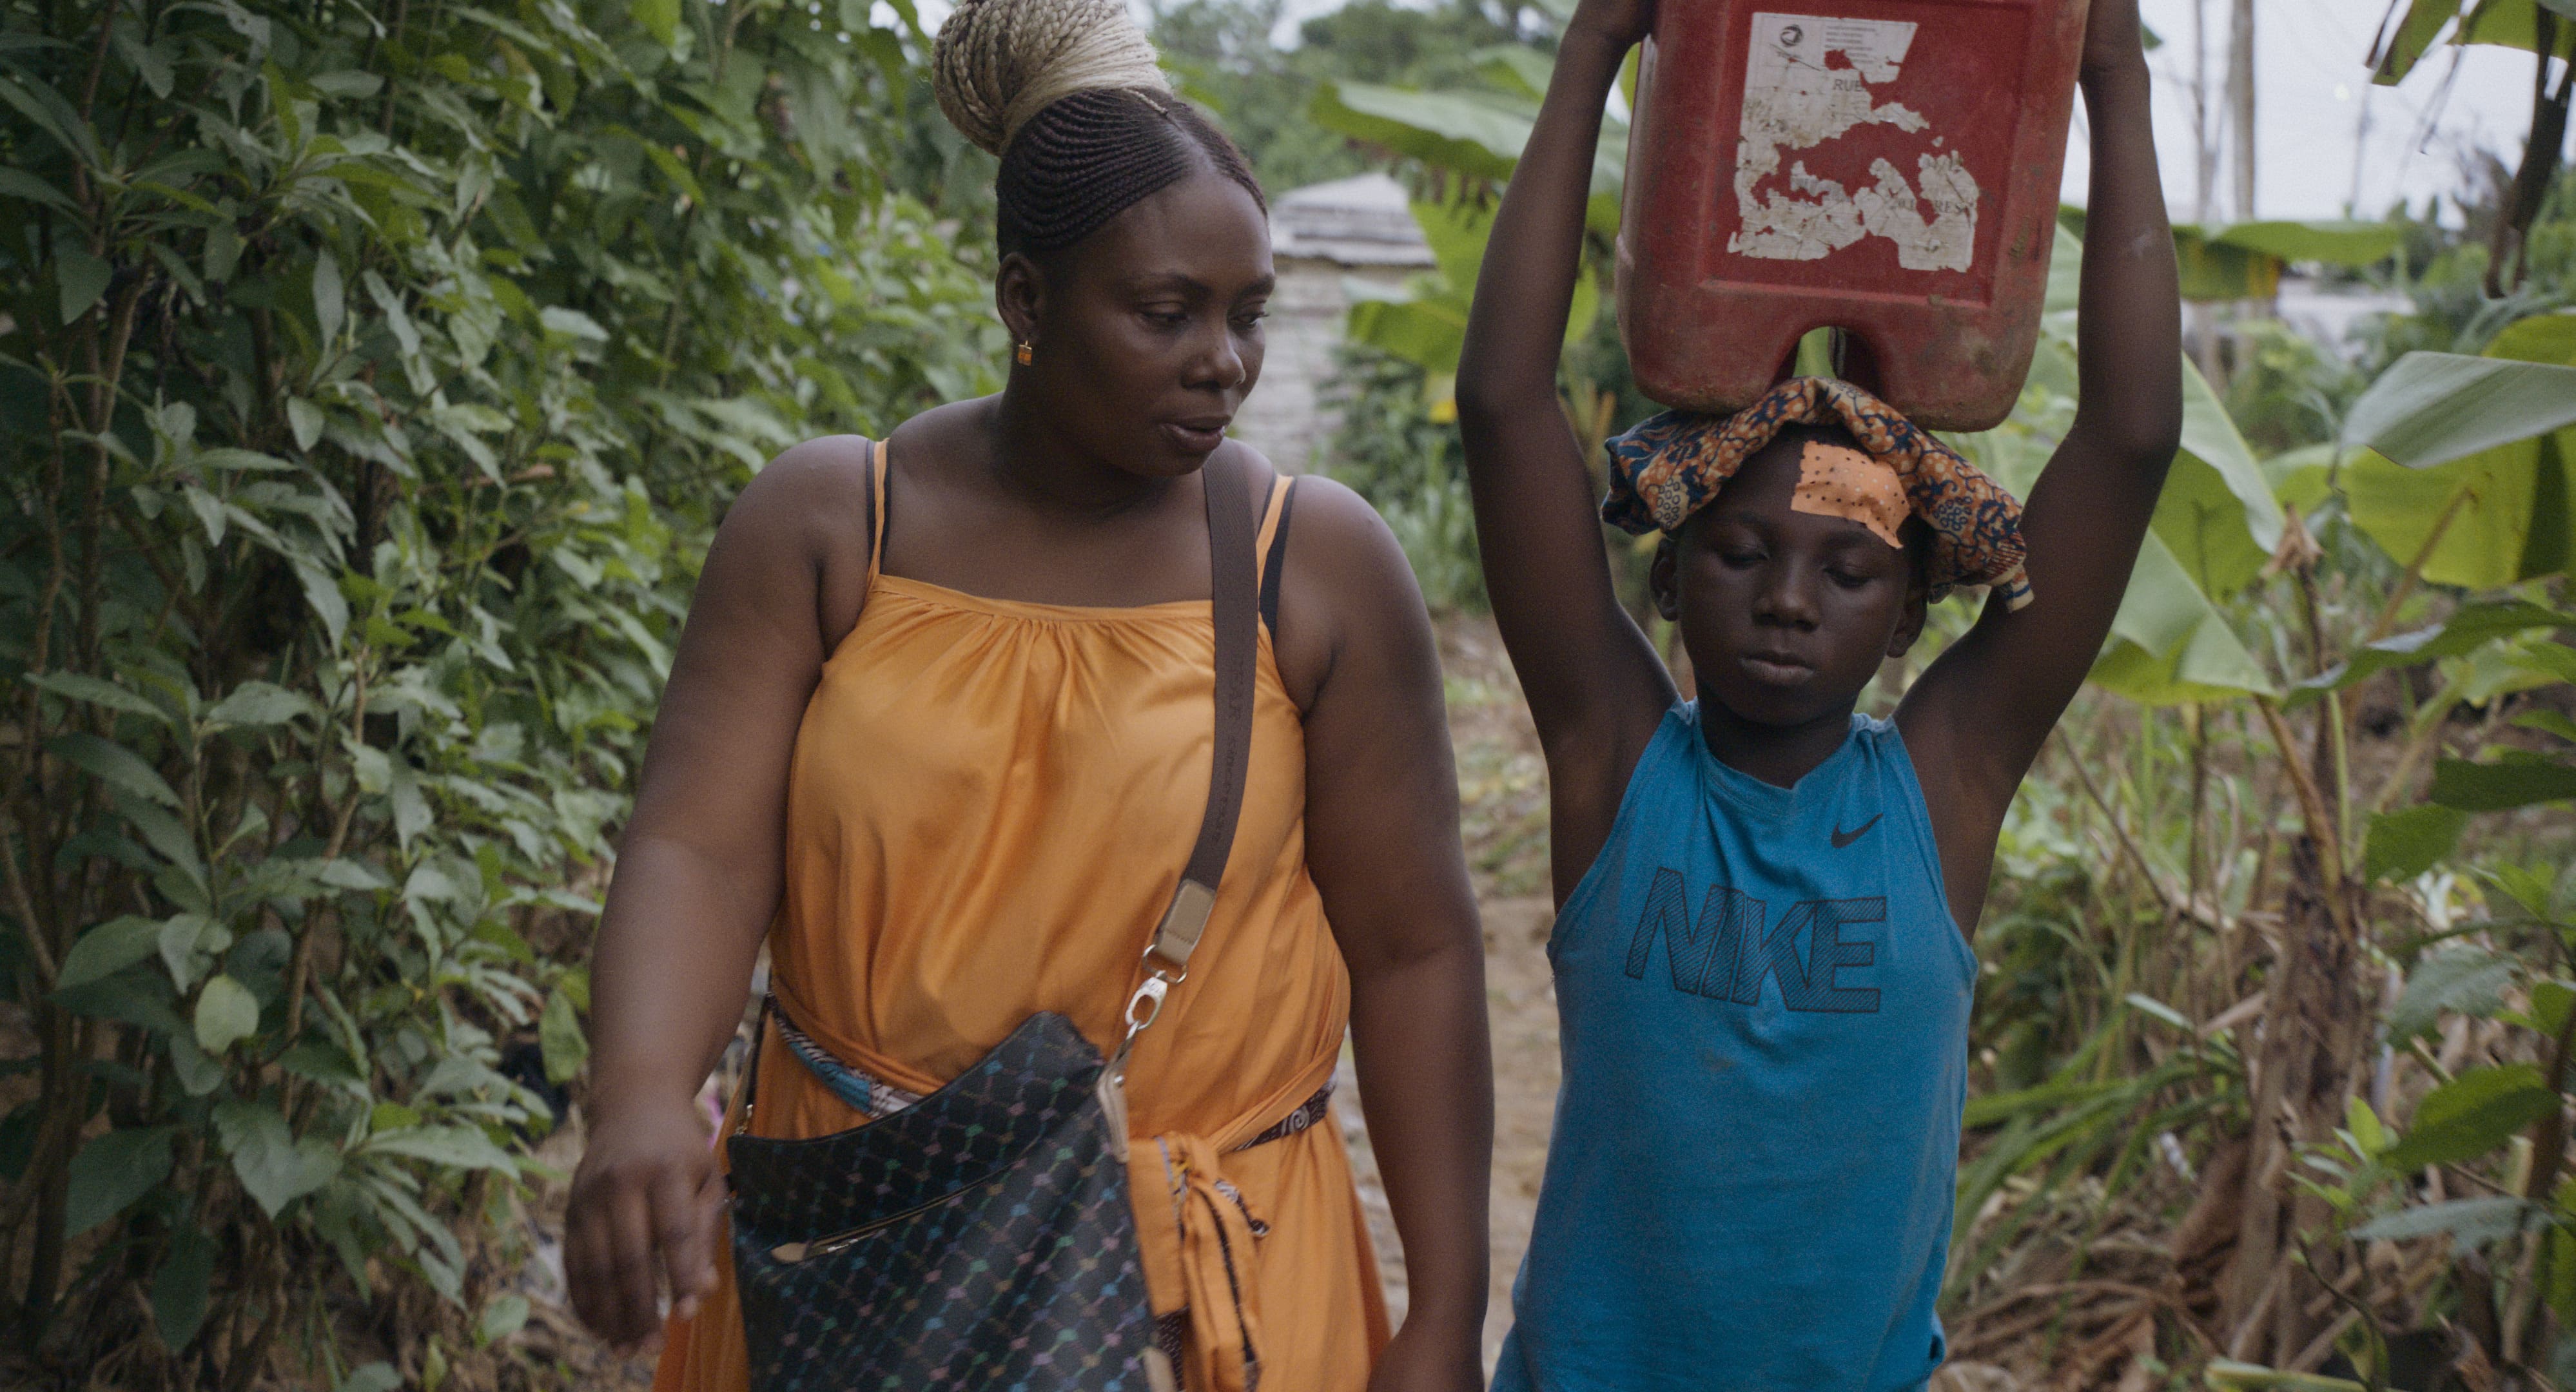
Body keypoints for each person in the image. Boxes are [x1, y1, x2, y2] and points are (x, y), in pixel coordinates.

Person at [561, 1, 1494, 1387]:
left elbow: (1416, 950)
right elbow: (697, 848)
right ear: (1024, 301)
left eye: (1247, 317)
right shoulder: (833, 527)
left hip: (1201, 1292)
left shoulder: (1316, 568)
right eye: (1166, 313)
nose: (1223, 364)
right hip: (856, 1255)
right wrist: (638, 1095)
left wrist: (1442, 1312)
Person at [1452, 0, 2181, 1384]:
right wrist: (1599, 43)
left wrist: (2112, 74)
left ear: (1910, 614)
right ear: (1668, 582)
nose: (1788, 598)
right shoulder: (1616, 766)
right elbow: (1505, 402)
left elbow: (2132, 436)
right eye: (1740, 552)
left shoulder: (1944, 785)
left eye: (1849, 572)